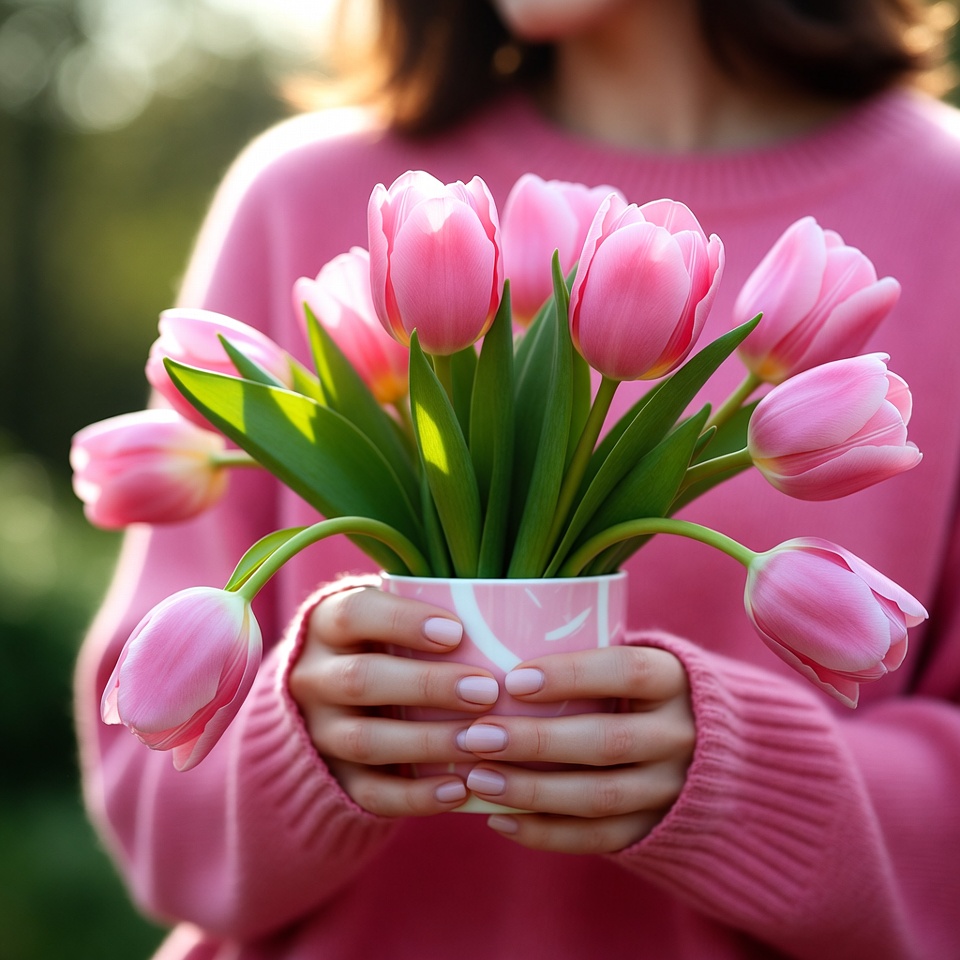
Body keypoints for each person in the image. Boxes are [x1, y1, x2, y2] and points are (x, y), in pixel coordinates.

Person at [75, 1, 960, 957]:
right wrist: (300, 743)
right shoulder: (301, 193)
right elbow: (148, 796)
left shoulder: (942, 205)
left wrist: (756, 787)